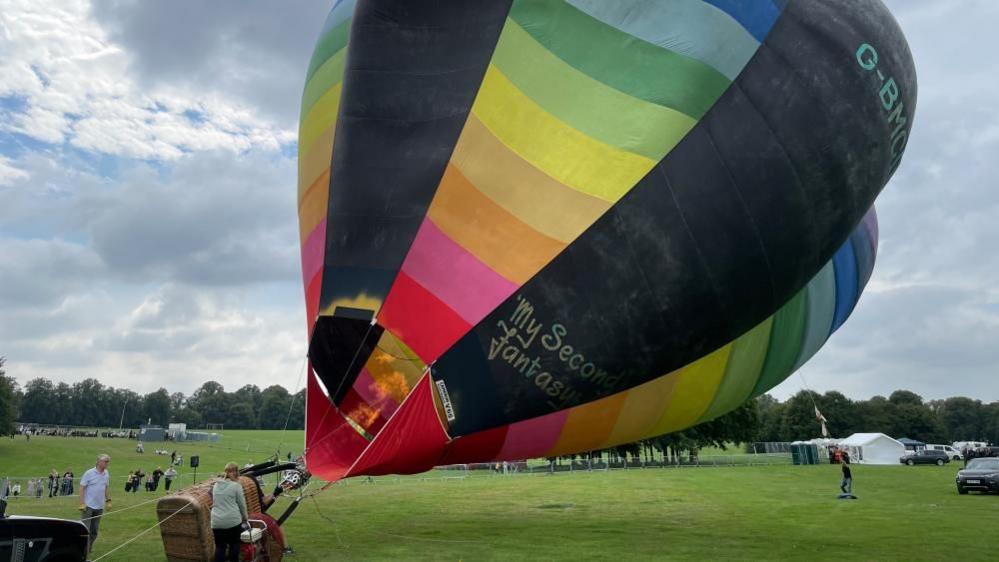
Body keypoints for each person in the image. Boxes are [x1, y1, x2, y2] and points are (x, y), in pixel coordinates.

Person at [211, 462, 248, 562]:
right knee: (234, 545)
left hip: (216, 521)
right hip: (232, 521)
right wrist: (245, 517)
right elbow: (242, 505)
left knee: (220, 547)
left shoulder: (215, 485)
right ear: (237, 473)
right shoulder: (236, 486)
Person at [79, 454, 112, 555]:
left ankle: (87, 550)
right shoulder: (89, 473)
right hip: (88, 506)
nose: (107, 463)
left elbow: (106, 488)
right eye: (105, 461)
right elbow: (82, 488)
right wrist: (81, 503)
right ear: (98, 461)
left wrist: (108, 500)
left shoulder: (106, 473)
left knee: (94, 532)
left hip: (99, 507)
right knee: (85, 531)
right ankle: (81, 550)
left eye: (108, 461)